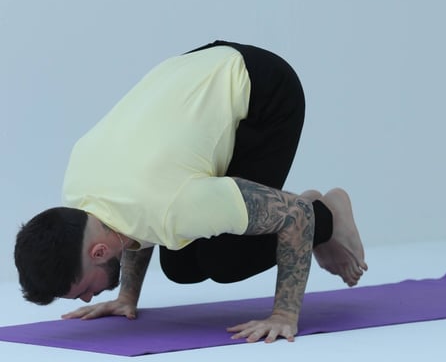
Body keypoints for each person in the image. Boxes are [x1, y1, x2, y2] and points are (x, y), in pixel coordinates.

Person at [14, 40, 367, 343]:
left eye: (83, 289)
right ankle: (309, 213)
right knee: (181, 265)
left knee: (226, 261)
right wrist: (126, 297)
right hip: (195, 72)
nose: (89, 296)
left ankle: (330, 212)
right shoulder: (78, 194)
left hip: (263, 91)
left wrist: (284, 316)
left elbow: (295, 215)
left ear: (98, 251)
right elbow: (132, 217)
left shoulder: (174, 204)